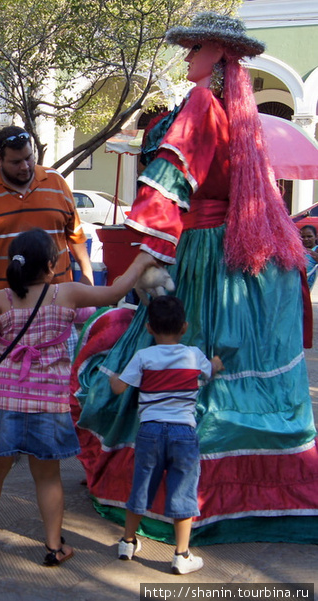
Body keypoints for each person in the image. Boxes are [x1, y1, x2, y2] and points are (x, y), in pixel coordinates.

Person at [73, 12, 318, 545]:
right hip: (246, 263)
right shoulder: (243, 115)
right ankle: (262, 498)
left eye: (193, 49)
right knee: (237, 376)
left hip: (205, 254)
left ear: (216, 54)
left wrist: (138, 263)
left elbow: (169, 184)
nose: (186, 58)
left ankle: (170, 500)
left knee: (167, 352)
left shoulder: (203, 104)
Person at [0, 229, 156, 566]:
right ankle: (53, 546)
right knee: (47, 477)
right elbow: (116, 292)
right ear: (49, 265)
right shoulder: (67, 294)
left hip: (3, 403)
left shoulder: (2, 299)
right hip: (49, 405)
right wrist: (141, 261)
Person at [109, 296, 223, 575]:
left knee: (141, 485)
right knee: (183, 490)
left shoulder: (143, 357)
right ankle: (181, 555)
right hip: (184, 432)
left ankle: (127, 542)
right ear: (184, 327)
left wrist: (112, 375)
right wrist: (217, 363)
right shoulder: (194, 355)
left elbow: (118, 389)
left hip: (149, 431)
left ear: (148, 328)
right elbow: (211, 371)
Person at [0, 125, 93, 318]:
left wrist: (86, 275)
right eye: (16, 162)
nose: (25, 166)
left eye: (28, 158)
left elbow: (75, 235)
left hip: (56, 304)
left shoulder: (56, 182)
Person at [300, 225, 318, 289]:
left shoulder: (316, 249)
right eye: (303, 237)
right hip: (299, 280)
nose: (306, 239)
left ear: (316, 237)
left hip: (309, 281)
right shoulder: (299, 250)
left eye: (309, 236)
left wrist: (311, 252)